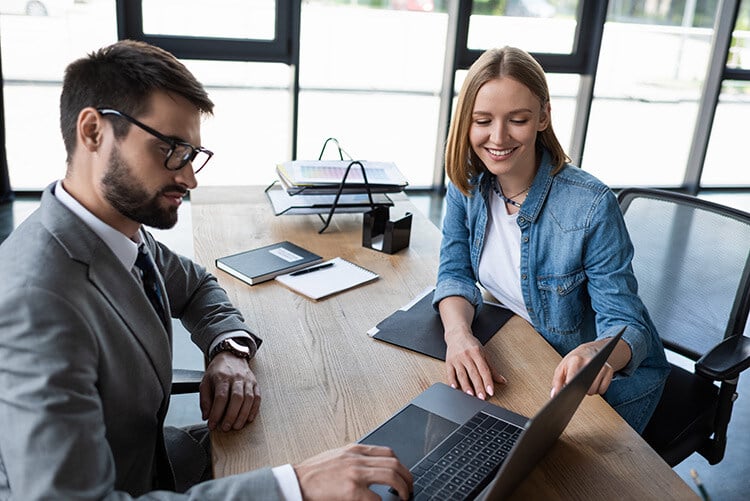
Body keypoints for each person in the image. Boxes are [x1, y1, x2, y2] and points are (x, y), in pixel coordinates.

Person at [0, 40, 412, 500]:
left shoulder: (115, 233)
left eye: (193, 154)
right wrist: (293, 487)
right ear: (94, 131)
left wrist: (227, 350)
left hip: (154, 460)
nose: (189, 178)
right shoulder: (36, 302)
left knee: (348, 446)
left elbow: (196, 286)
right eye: (171, 149)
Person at [433, 46, 670, 433]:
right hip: (526, 355)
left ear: (543, 116)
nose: (498, 137)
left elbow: (628, 325)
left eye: (518, 119)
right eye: (482, 120)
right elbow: (454, 273)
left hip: (603, 389)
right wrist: (458, 335)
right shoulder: (468, 184)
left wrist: (598, 354)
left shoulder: (590, 205)